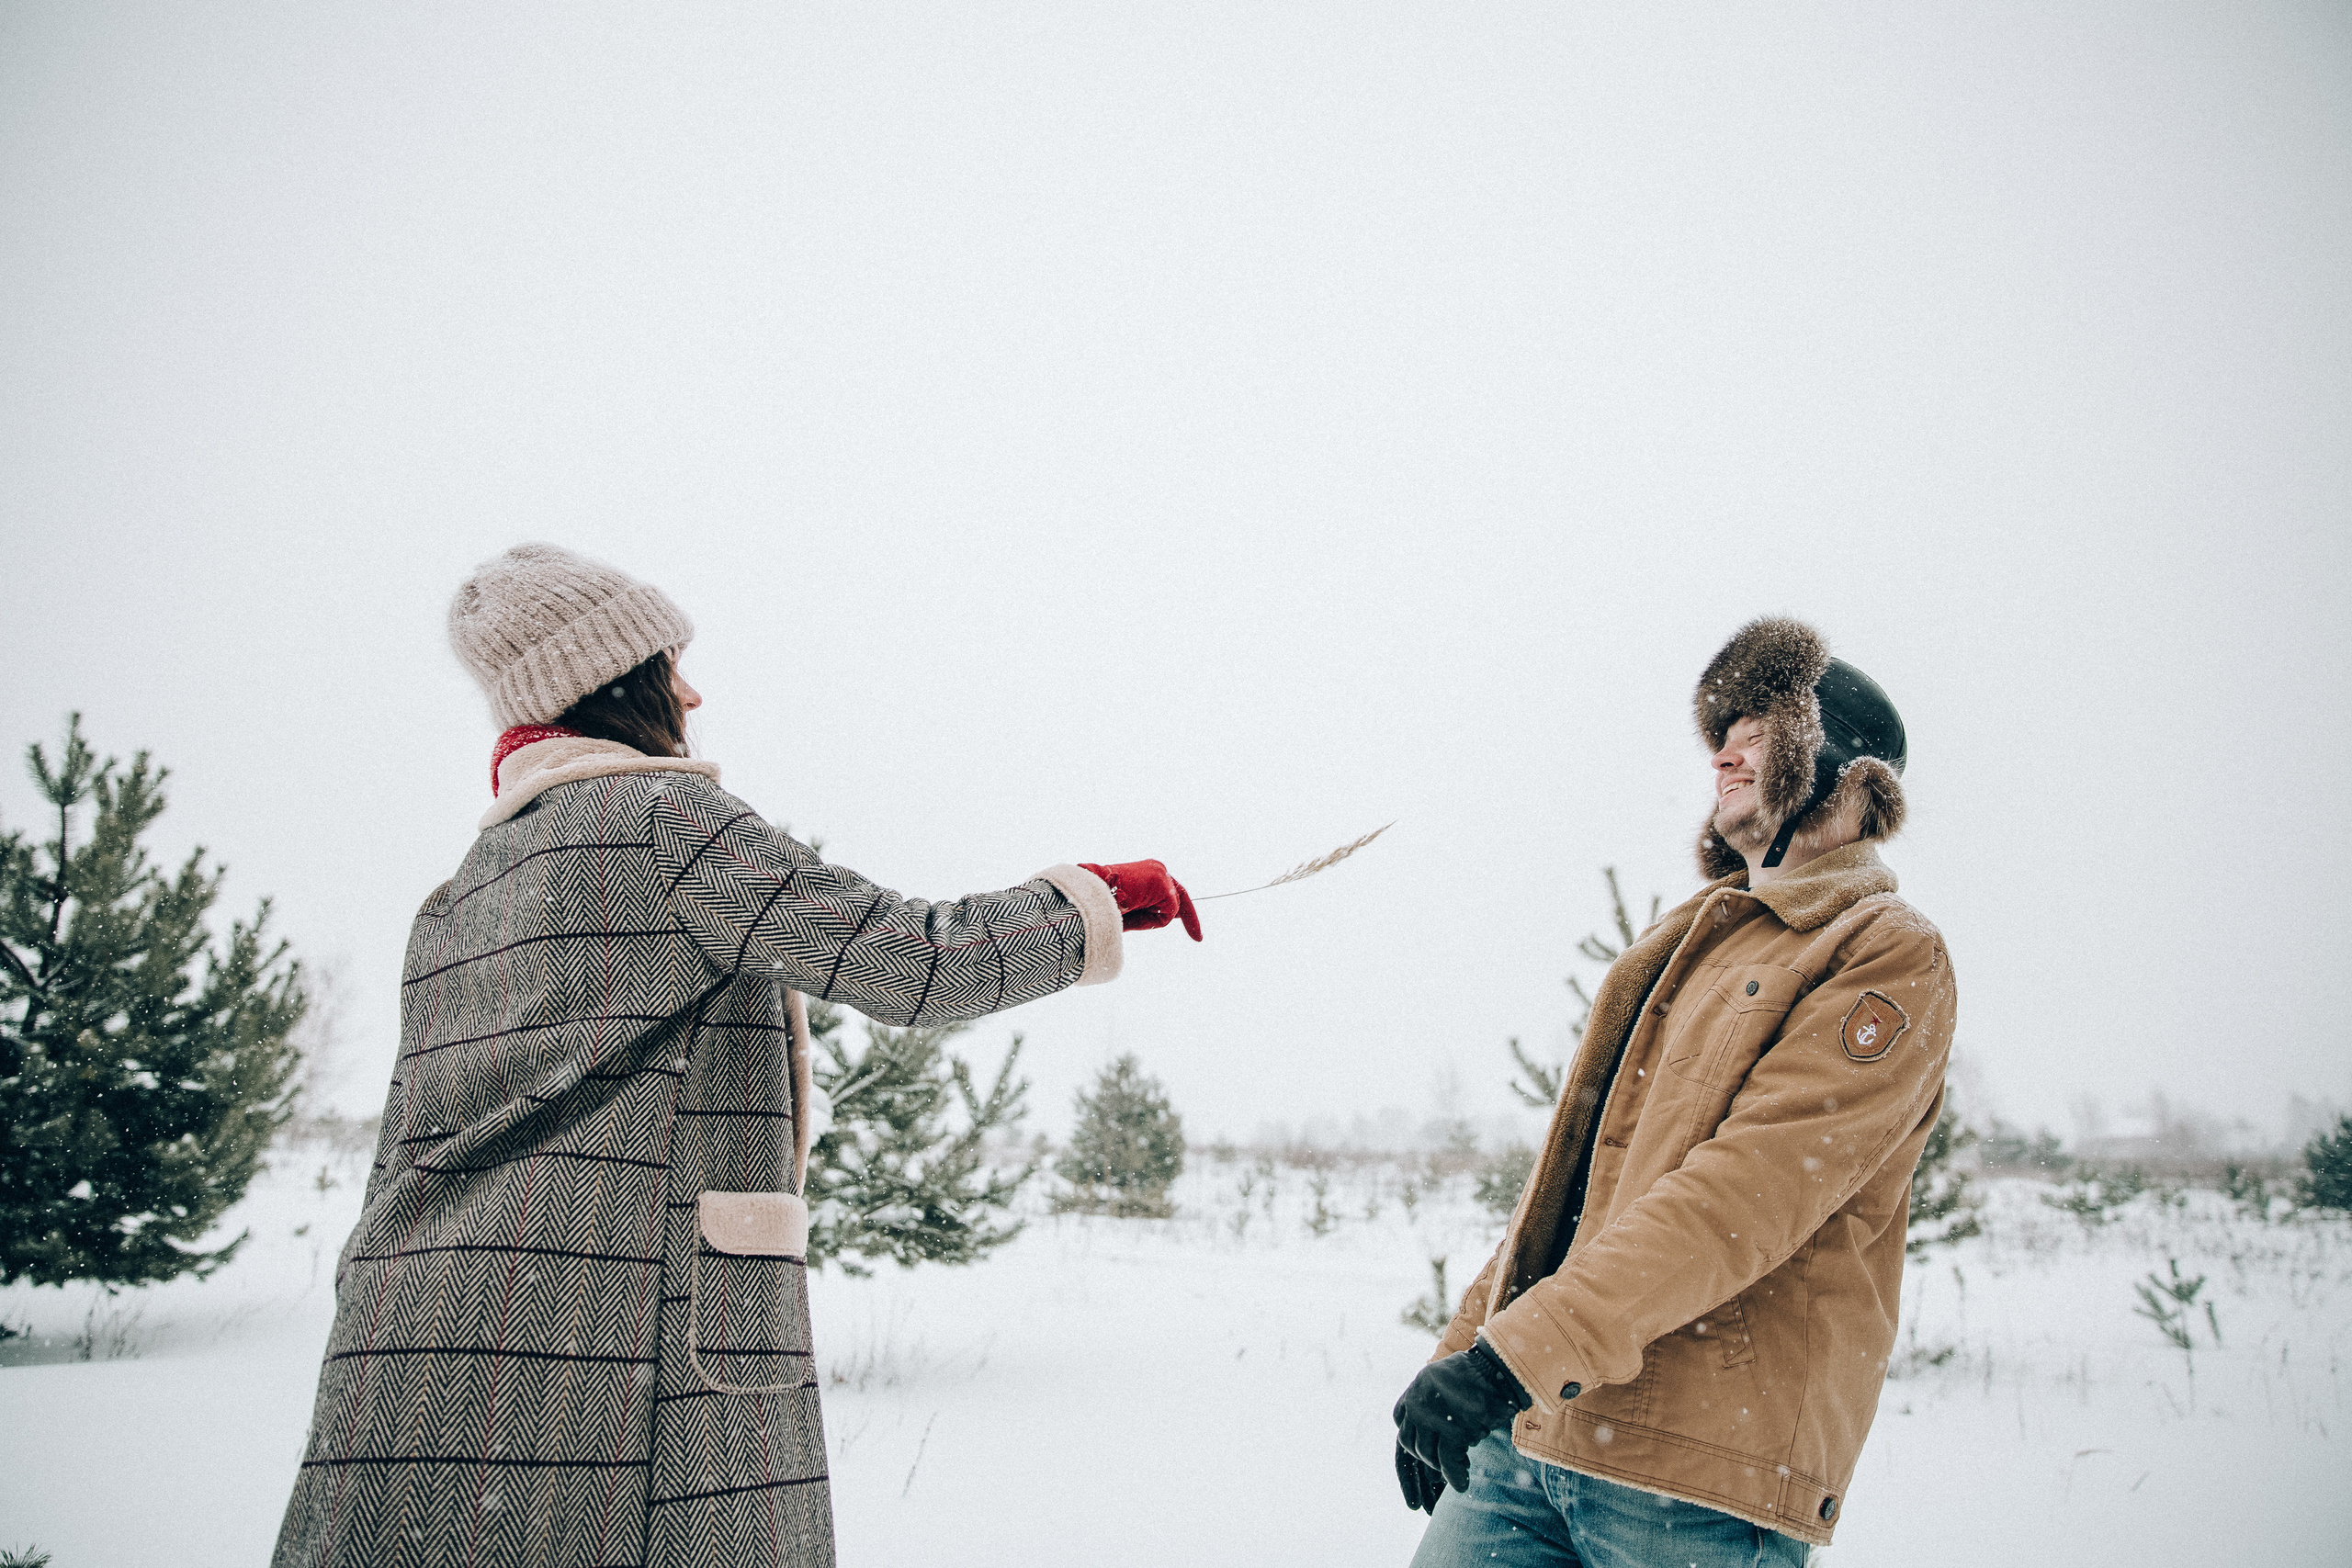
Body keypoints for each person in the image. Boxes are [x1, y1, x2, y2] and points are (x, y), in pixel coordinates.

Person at [274, 542, 1199, 1568]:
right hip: (611, 1320)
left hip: (418, 1326)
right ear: (616, 682)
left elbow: (404, 1134)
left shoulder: (465, 884)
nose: (693, 689)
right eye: (671, 664)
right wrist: (1088, 904)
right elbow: (906, 961)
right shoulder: (665, 819)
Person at [1393, 616, 1955, 1566]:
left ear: (1853, 779)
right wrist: (1465, 1351)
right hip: (1533, 1436)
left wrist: (1509, 1357)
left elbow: (1749, 1191)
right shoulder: (1685, 942)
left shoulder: (1883, 950)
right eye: (1723, 731)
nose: (1726, 751)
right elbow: (1569, 1191)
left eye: (1764, 727)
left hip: (1695, 1474)